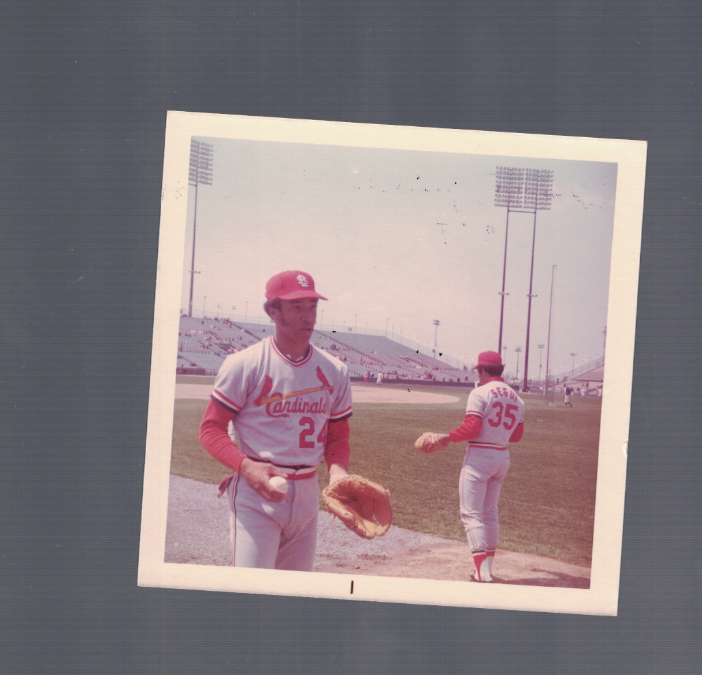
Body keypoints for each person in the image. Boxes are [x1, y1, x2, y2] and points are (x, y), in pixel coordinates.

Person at [198, 270, 353, 570]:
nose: (308, 316)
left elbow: (338, 436)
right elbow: (210, 429)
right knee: (251, 595)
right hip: (257, 495)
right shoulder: (244, 364)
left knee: (292, 598)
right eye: (297, 307)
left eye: (312, 307)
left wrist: (338, 473)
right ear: (273, 311)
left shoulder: (335, 370)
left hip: (308, 494)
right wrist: (244, 467)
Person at [416, 351, 524, 582]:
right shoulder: (517, 398)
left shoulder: (479, 392)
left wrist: (445, 437)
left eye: (479, 371)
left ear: (483, 370)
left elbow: (472, 429)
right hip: (502, 456)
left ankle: (482, 574)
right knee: (489, 513)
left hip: (480, 456)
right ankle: (488, 569)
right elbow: (516, 436)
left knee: (471, 514)